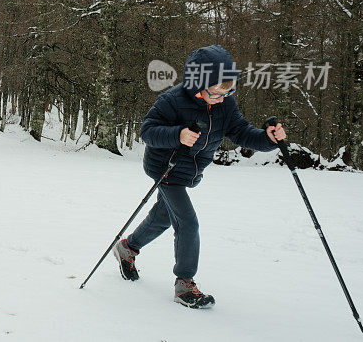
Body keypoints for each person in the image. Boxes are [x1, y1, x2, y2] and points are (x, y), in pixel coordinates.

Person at [113, 45, 287, 309]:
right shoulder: (172, 100)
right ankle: (184, 284)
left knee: (162, 218)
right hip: (166, 168)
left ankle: (128, 248)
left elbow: (241, 132)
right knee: (187, 223)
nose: (222, 97)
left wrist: (268, 139)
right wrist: (178, 134)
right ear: (197, 83)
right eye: (215, 92)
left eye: (228, 90)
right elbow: (147, 131)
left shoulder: (225, 104)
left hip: (190, 172)